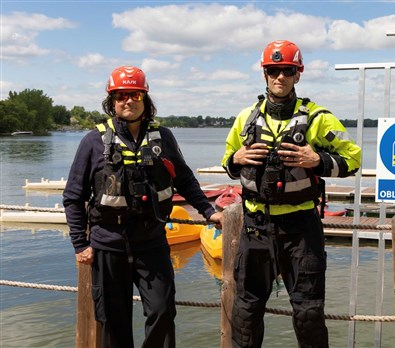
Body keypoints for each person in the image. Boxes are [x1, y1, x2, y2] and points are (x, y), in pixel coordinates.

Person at [63, 66, 223, 347]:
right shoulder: (92, 141)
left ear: (145, 98)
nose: (128, 101)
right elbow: (73, 196)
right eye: (121, 95)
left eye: (134, 94)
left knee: (162, 311)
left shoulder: (163, 137)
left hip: (152, 241)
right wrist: (80, 244)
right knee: (114, 321)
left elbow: (184, 180)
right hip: (108, 243)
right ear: (112, 101)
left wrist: (209, 211)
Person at [221, 40, 362, 347]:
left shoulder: (319, 119)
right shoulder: (246, 119)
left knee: (308, 314)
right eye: (274, 71)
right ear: (265, 75)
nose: (280, 77)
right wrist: (237, 159)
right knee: (245, 312)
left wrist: (319, 161)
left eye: (287, 71)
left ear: (298, 75)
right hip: (255, 229)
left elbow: (353, 159)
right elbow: (228, 160)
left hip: (301, 230)